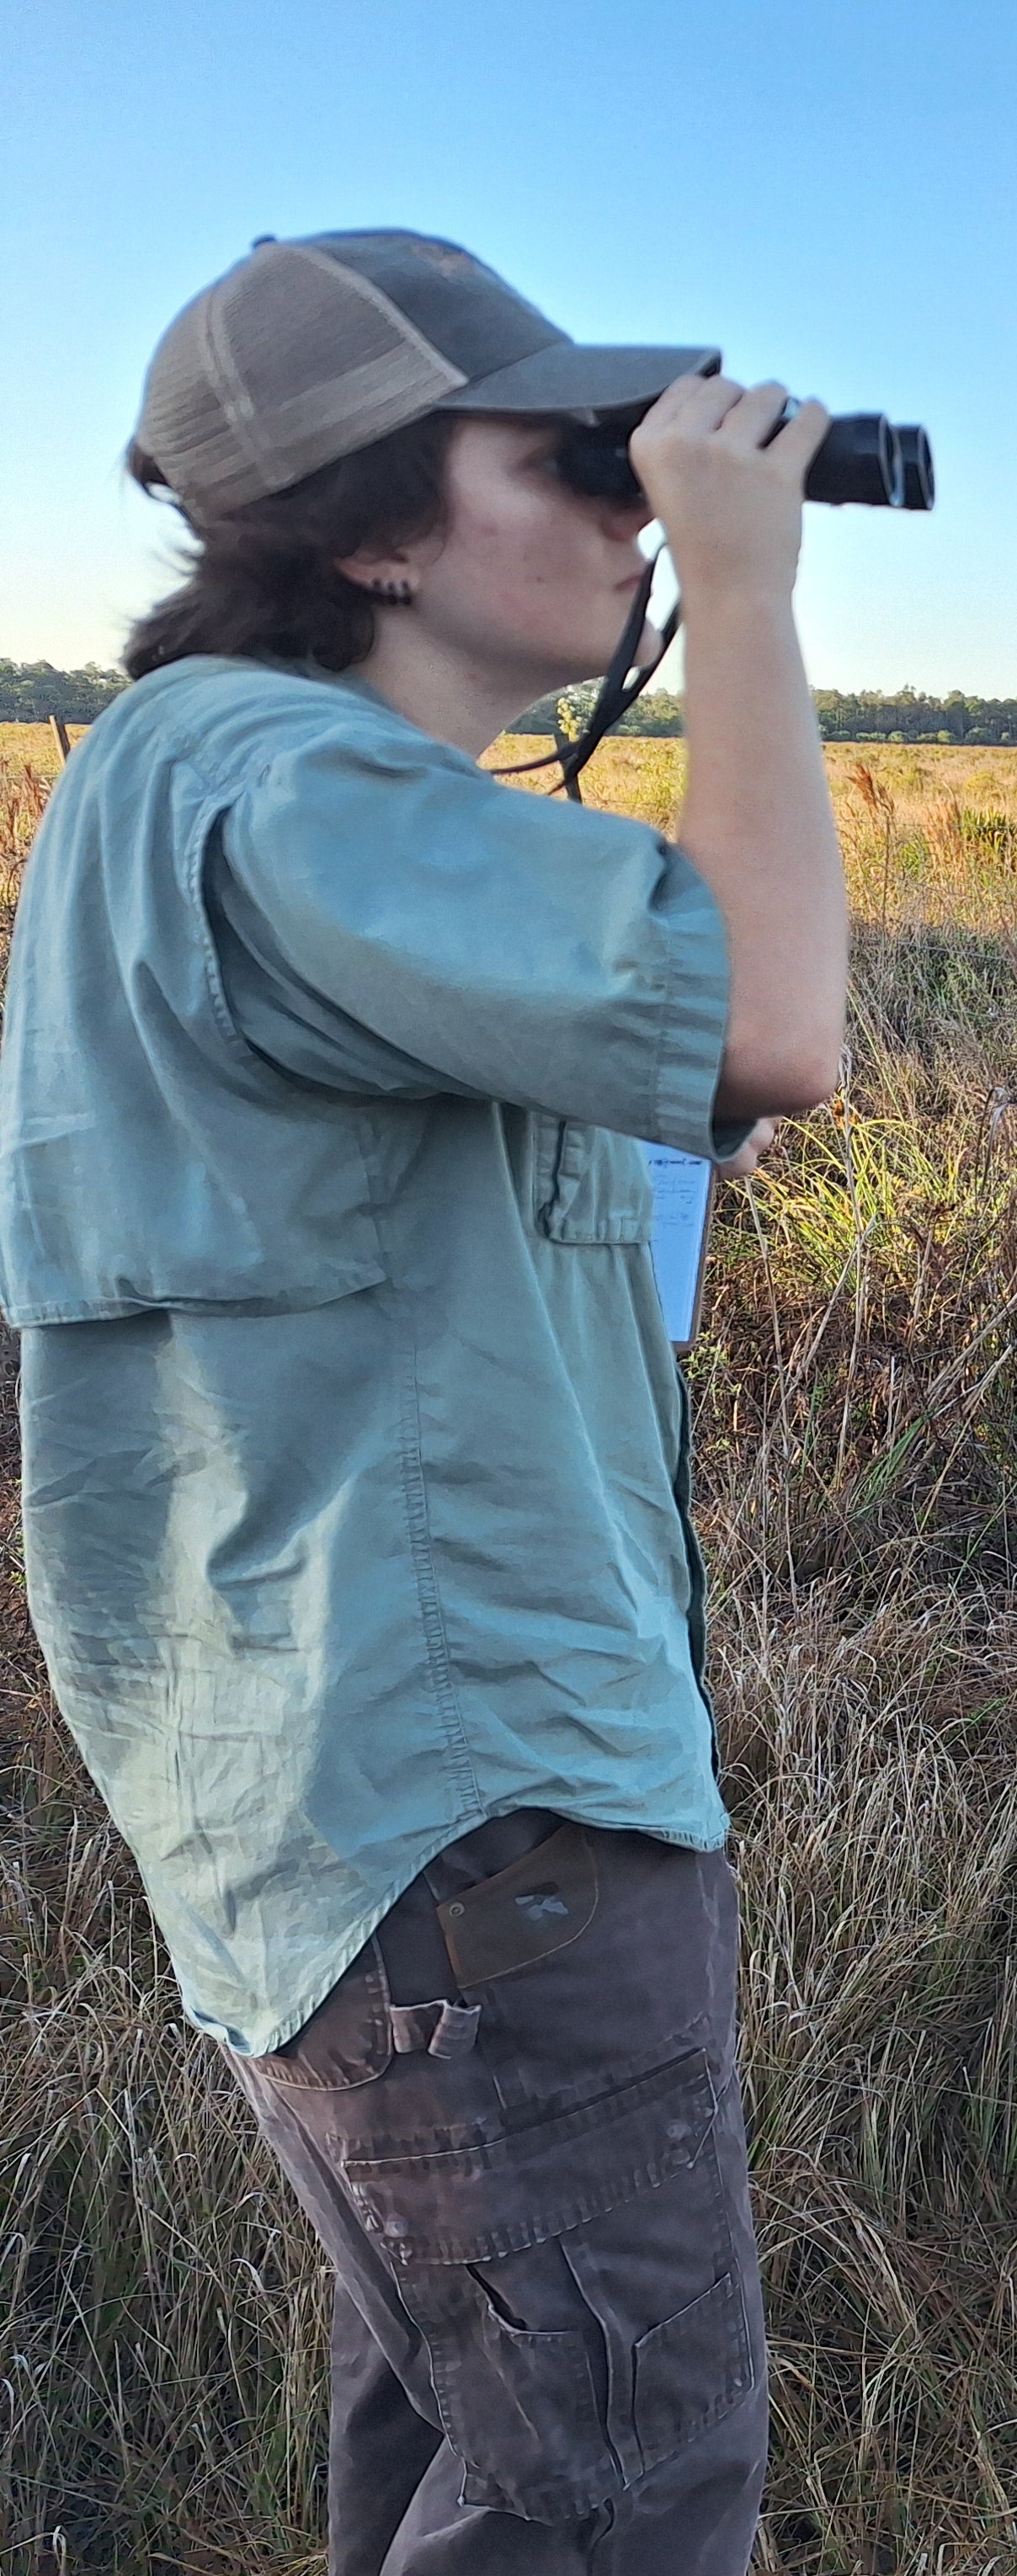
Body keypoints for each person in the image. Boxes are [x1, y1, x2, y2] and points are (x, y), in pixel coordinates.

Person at [0, 231, 847, 2574]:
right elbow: (776, 1020)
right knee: (619, 2504)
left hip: (382, 1815)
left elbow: (672, 1103)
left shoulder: (249, 795)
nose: (632, 508)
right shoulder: (286, 781)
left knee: (473, 2457)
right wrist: (754, 604)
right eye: (568, 457)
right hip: (474, 1829)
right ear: (373, 527)